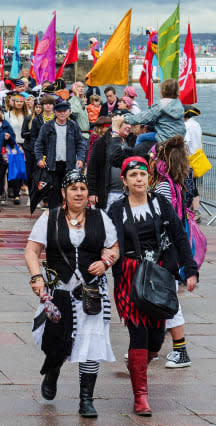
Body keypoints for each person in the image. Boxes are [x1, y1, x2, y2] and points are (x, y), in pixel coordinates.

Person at [107, 156, 198, 416]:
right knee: (139, 333)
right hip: (129, 277)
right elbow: (109, 242)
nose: (139, 179)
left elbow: (180, 236)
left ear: (149, 179)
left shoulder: (160, 204)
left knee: (156, 339)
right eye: (133, 175)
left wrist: (190, 269)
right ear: (124, 180)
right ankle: (141, 396)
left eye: (143, 175)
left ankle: (140, 365)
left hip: (159, 276)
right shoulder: (116, 210)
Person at [25, 170, 119, 418]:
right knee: (57, 341)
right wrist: (36, 278)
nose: (79, 192)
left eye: (83, 188)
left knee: (91, 343)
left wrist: (105, 262)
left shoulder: (101, 218)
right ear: (64, 193)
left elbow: (114, 248)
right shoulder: (50, 218)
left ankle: (86, 399)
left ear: (88, 193)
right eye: (74, 188)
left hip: (91, 294)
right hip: (59, 292)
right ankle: (53, 370)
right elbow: (31, 251)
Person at [149, 136, 197, 368]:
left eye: (154, 156)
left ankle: (180, 351)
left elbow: (160, 219)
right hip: (172, 252)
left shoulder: (164, 186)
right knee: (161, 299)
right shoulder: (177, 183)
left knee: (168, 301)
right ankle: (152, 347)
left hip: (164, 252)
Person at [35, 101, 86, 208]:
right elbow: (39, 143)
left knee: (69, 188)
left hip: (69, 164)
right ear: (55, 113)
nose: (62, 114)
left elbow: (81, 143)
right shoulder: (47, 126)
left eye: (65, 111)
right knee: (54, 189)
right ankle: (54, 212)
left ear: (69, 112)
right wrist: (39, 158)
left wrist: (81, 158)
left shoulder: (73, 126)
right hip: (52, 164)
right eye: (59, 111)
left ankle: (68, 210)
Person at [87, 115, 136, 211]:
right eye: (126, 123)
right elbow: (92, 169)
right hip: (107, 194)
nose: (129, 126)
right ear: (116, 125)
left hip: (126, 194)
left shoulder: (131, 142)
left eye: (130, 124)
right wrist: (92, 192)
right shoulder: (101, 142)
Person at [125, 79, 186, 147]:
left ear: (163, 90)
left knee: (140, 137)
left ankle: (135, 156)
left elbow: (144, 117)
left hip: (164, 137)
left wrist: (126, 119)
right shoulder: (179, 103)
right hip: (179, 138)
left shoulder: (161, 104)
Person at [4, 93, 29, 204]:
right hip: (12, 145)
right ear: (13, 102)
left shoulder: (27, 115)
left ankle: (17, 191)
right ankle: (15, 193)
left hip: (25, 145)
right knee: (13, 168)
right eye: (17, 101)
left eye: (21, 101)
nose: (19, 103)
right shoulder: (8, 115)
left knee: (22, 169)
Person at [183, 105, 203, 221]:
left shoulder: (186, 125)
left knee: (191, 185)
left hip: (189, 159)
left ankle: (195, 211)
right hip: (197, 157)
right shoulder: (196, 124)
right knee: (193, 184)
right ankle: (194, 210)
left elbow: (186, 142)